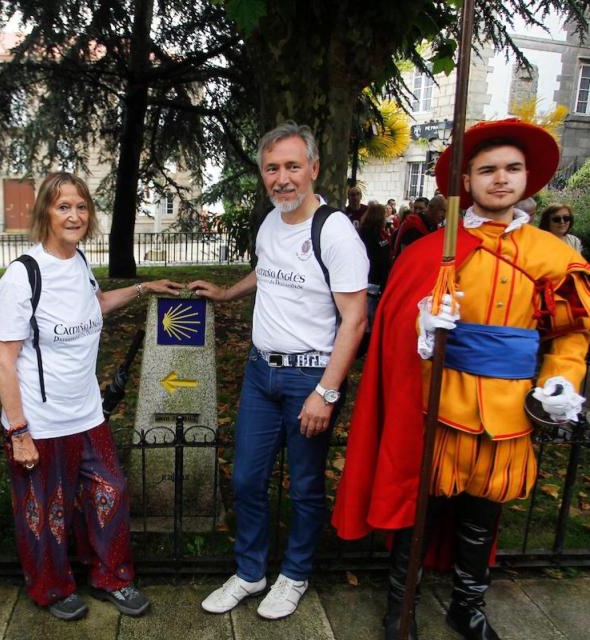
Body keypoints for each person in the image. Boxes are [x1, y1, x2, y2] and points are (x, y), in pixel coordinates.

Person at [332, 118, 590, 640]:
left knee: (480, 517)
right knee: (419, 509)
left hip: (509, 411)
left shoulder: (557, 257)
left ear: (527, 178)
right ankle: (399, 608)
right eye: (487, 170)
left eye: (512, 169)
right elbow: (398, 330)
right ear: (466, 181)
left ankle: (467, 607)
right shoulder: (434, 251)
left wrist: (563, 380)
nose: (500, 179)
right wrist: (421, 327)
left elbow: (570, 334)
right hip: (438, 405)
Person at [189, 123, 368, 620]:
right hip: (260, 373)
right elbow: (265, 270)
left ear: (313, 168)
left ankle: (294, 574)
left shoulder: (333, 230)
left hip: (310, 378)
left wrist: (326, 393)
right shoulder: (271, 221)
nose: (282, 179)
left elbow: (355, 319)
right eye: (272, 169)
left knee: (305, 485)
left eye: (292, 166)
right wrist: (227, 294)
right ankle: (250, 573)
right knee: (247, 480)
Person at [0, 172, 182, 621]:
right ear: (45, 213)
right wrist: (19, 431)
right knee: (46, 512)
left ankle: (112, 576)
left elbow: (92, 305)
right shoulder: (23, 276)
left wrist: (143, 288)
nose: (74, 215)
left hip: (87, 414)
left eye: (80, 206)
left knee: (109, 493)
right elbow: (4, 360)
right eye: (63, 207)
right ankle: (52, 588)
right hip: (39, 419)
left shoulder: (78, 263)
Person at [358, 202, 391, 331]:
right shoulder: (366, 235)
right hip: (370, 283)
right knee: (367, 322)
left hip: (376, 283)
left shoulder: (381, 234)